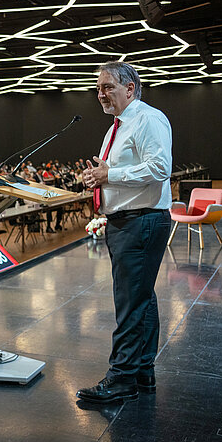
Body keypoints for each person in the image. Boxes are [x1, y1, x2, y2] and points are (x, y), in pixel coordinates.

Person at [78, 61, 172, 404]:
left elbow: (160, 168)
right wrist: (97, 178)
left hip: (142, 221)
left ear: (130, 88)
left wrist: (110, 177)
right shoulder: (116, 127)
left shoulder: (148, 119)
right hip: (127, 221)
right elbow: (111, 171)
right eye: (98, 88)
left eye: (108, 87)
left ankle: (120, 379)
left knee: (130, 304)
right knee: (142, 299)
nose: (100, 94)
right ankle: (142, 373)